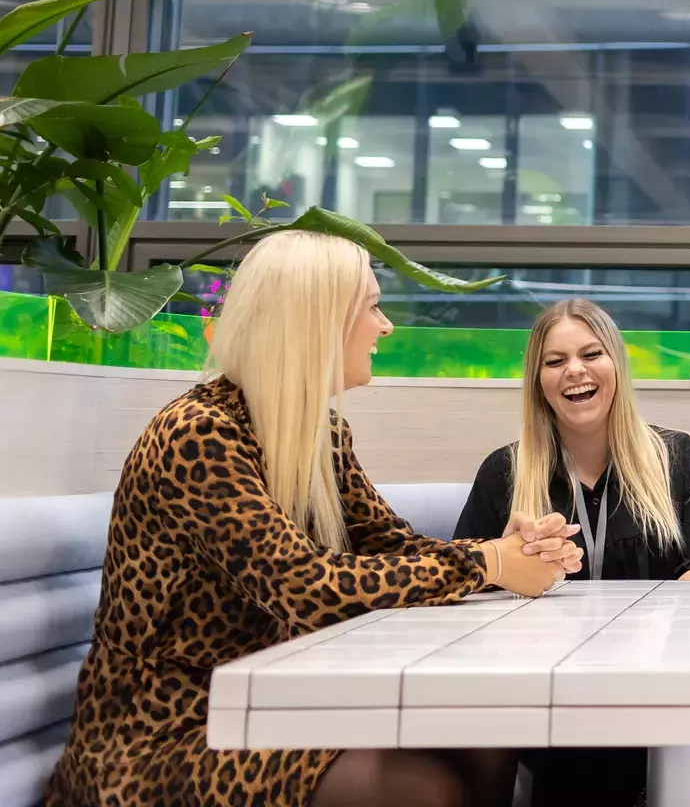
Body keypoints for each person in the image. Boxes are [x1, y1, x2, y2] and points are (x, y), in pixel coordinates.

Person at [48, 231, 579, 807]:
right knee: (421, 790)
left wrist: (508, 553)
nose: (386, 326)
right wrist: (489, 563)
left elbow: (393, 548)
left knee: (484, 737)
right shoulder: (199, 433)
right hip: (163, 739)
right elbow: (304, 588)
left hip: (273, 710)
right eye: (372, 306)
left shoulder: (320, 435)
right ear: (317, 320)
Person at [456, 297, 690, 807]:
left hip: (654, 682)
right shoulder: (504, 471)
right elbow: (464, 576)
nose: (575, 371)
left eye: (591, 354)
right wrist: (509, 557)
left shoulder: (681, 458)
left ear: (616, 363)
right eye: (555, 361)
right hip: (544, 688)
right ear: (538, 380)